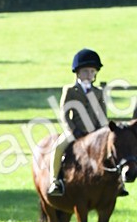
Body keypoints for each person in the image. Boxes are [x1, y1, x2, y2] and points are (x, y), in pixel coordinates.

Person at [48, 49, 125, 196]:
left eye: (92, 71)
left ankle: (119, 183)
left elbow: (102, 115)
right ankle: (55, 182)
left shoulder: (98, 91)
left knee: (115, 148)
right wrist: (72, 129)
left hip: (95, 132)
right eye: (85, 71)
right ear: (77, 72)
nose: (89, 75)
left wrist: (102, 131)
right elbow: (64, 113)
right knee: (57, 148)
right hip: (74, 131)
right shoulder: (70, 90)